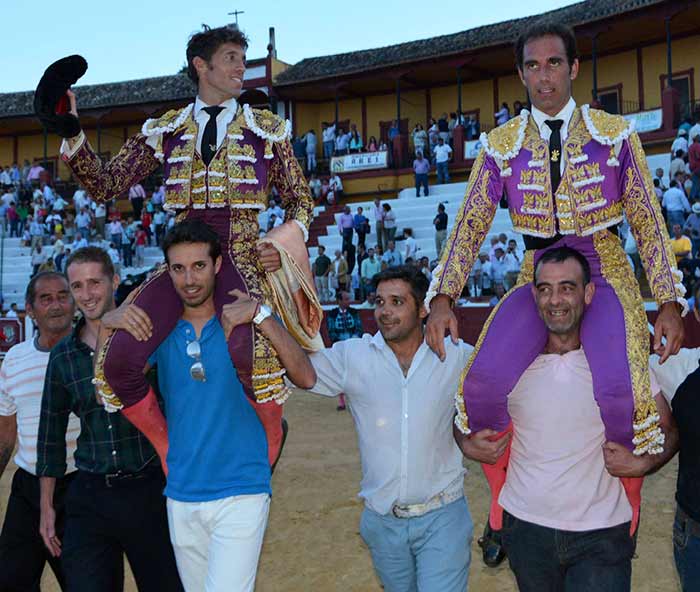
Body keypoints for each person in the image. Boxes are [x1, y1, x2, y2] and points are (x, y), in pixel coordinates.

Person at [36, 26, 319, 468]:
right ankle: (171, 454)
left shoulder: (268, 130)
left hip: (240, 253)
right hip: (182, 258)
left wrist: (279, 244)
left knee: (255, 354)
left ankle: (263, 458)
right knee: (119, 361)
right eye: (230, 57)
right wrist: (71, 131)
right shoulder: (166, 129)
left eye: (242, 58)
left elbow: (301, 201)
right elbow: (106, 184)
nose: (240, 67)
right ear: (201, 66)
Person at [426, 22, 684, 481]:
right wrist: (444, 296)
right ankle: (508, 502)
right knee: (481, 385)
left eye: (554, 64)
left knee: (622, 394)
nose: (544, 77)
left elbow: (647, 221)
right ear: (521, 74)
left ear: (574, 68)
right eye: (533, 66)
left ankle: (620, 507)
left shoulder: (615, 134)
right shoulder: (500, 146)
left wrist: (667, 301)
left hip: (602, 272)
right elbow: (469, 224)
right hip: (537, 276)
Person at [106, 221, 315, 591]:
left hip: (242, 489)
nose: (189, 279)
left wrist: (262, 316)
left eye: (198, 266)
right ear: (166, 271)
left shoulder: (249, 321)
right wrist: (106, 327)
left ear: (217, 265)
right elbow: (108, 385)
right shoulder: (161, 330)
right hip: (181, 491)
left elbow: (306, 377)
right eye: (178, 268)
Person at [454, 247, 674, 591]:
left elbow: (669, 430)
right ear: (533, 295)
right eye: (545, 289)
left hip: (601, 531)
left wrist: (645, 463)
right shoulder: (507, 366)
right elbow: (462, 417)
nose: (555, 300)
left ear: (588, 293)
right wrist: (465, 443)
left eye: (567, 288)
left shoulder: (622, 363)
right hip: (525, 527)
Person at [308, 266, 474, 592]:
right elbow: (302, 372)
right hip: (383, 521)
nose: (385, 311)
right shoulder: (353, 355)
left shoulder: (457, 356)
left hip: (443, 515)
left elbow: (504, 384)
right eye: (379, 301)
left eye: (397, 301)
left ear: (422, 308)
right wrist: (264, 318)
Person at [36, 248, 183, 591]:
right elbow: (51, 436)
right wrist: (46, 508)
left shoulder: (149, 338)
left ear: (114, 280)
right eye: (77, 286)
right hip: (90, 494)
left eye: (94, 283)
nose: (86, 295)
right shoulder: (63, 357)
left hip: (152, 490)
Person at [0, 273, 81, 591]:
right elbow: (7, 434)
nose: (57, 304)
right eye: (46, 298)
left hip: (79, 484)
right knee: (10, 582)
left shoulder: (96, 353)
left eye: (63, 295)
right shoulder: (14, 361)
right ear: (30, 310)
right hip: (28, 487)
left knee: (84, 582)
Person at [325, 290, 363, 411]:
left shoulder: (354, 312)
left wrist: (353, 341)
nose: (348, 302)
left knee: (355, 373)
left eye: (348, 299)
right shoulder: (332, 314)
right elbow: (331, 331)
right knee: (340, 373)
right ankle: (341, 401)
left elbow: (359, 328)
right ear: (339, 301)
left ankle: (355, 399)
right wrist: (340, 345)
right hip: (340, 348)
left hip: (353, 346)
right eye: (346, 299)